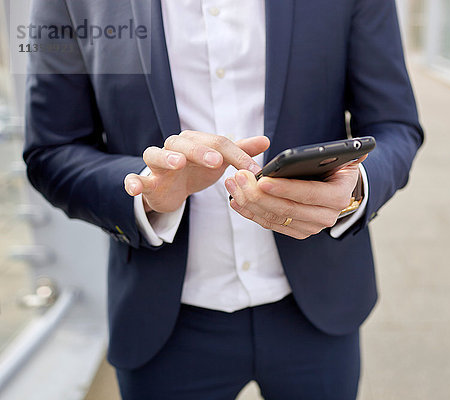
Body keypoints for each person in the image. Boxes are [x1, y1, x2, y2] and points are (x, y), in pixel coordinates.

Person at [23, 0, 423, 398]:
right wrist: (145, 191)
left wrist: (352, 189)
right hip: (161, 321)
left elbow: (395, 123)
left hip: (319, 307)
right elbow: (52, 150)